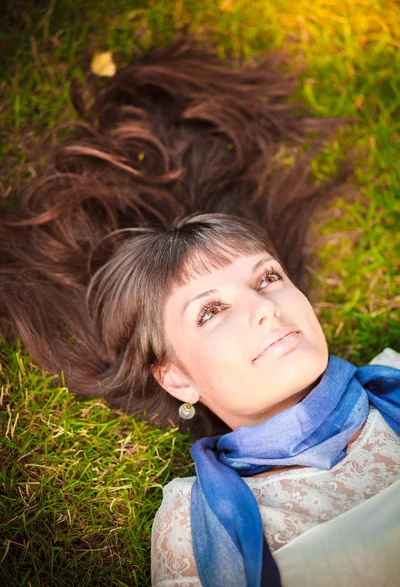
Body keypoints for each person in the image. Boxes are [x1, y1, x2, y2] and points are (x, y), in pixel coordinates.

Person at [0, 38, 399, 586]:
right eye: (210, 311)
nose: (263, 307)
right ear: (177, 377)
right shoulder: (193, 528)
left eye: (267, 278)